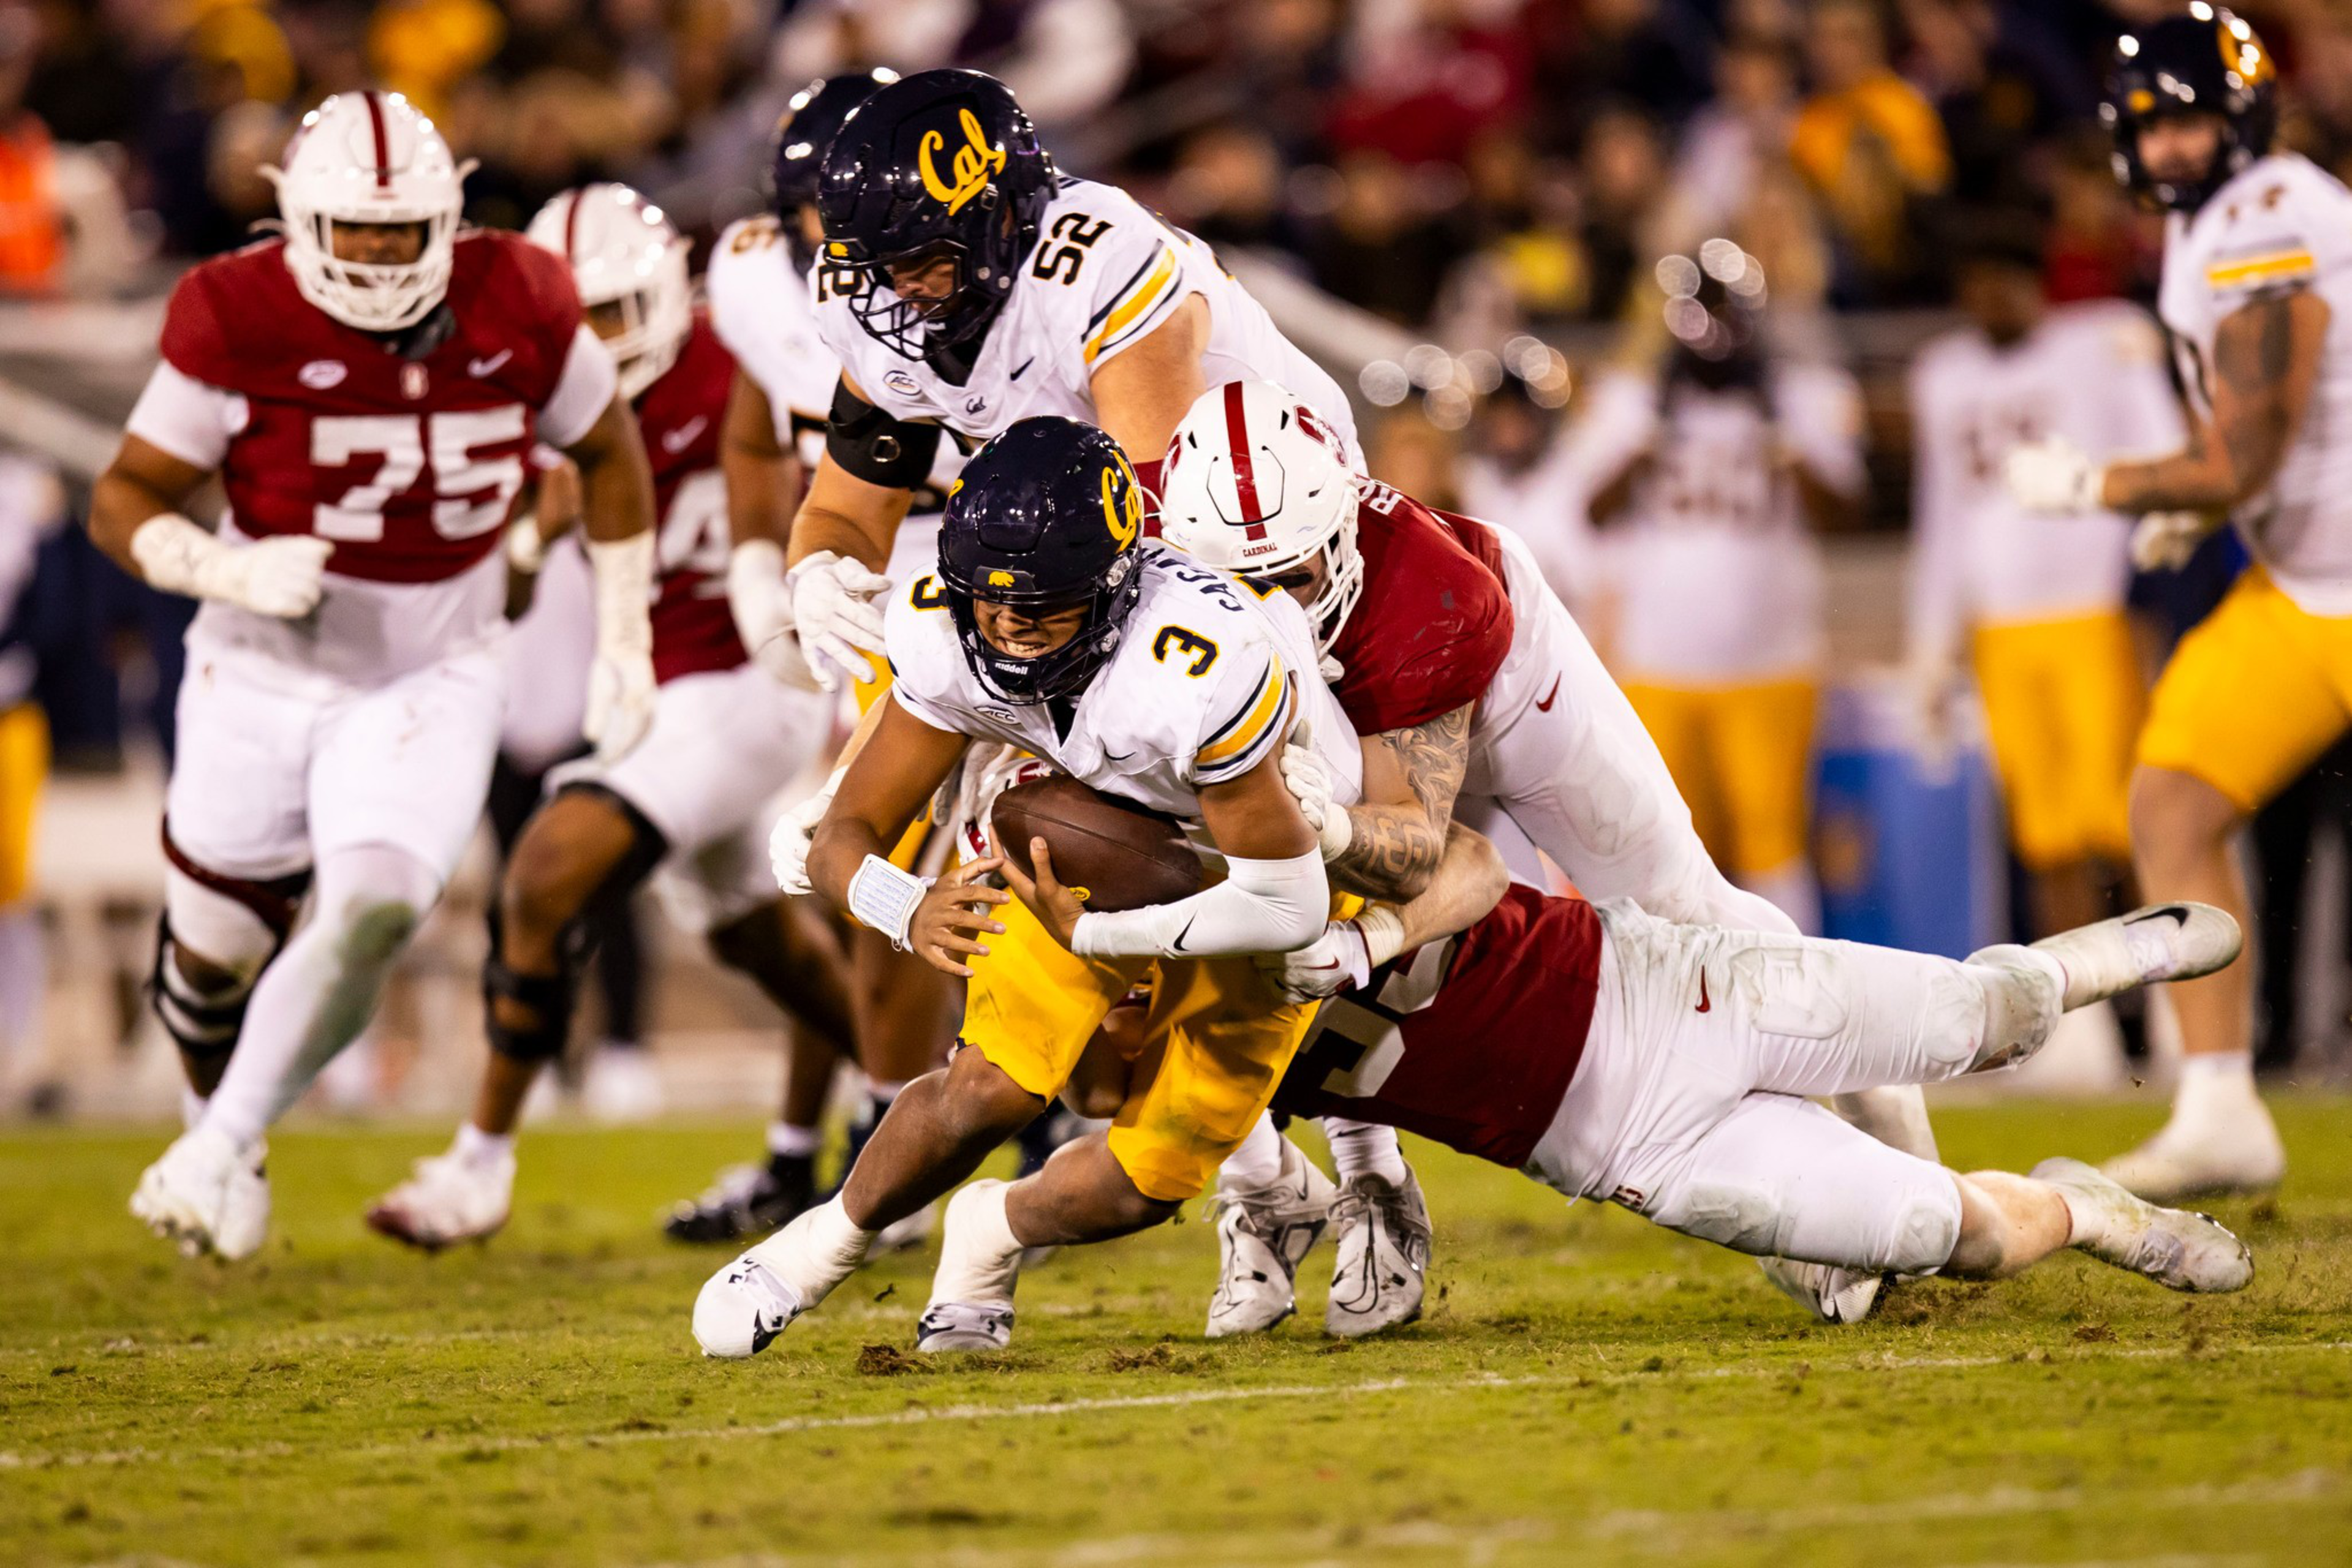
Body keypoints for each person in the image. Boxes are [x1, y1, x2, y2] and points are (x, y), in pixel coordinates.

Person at [771, 68, 1415, 1280]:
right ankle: (1266, 1174)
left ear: (997, 218)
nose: (889, 291)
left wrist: (1009, 719)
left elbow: (1149, 534)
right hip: (1097, 599)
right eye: (874, 258)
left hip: (1262, 568)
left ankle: (1359, 1163)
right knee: (1092, 916)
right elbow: (846, 497)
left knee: (1292, 879)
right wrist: (815, 576)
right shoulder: (889, 308)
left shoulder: (1094, 265)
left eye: (916, 255)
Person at [1160, 377, 1929, 1331]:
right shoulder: (1159, 557)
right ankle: (1315, 1182)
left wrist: (1328, 827)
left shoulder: (1427, 592)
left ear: (1341, 527)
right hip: (1345, 719)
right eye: (1240, 586)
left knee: (1675, 909)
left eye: (1292, 579)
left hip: (1507, 685)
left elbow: (1413, 853)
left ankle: (1878, 1095)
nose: (1269, 608)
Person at [88, 92, 659, 1259]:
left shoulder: (521, 294)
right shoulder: (233, 309)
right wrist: (223, 571)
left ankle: (215, 1146)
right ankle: (221, 1134)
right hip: (256, 665)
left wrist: (622, 637)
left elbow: (606, 452)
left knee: (380, 903)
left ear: (451, 218)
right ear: (299, 222)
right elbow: (123, 500)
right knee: (210, 961)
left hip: (434, 669)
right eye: (360, 231)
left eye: (408, 232)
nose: (388, 254)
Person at [946, 823, 2255, 1320]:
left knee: (1983, 1017)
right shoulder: (1190, 1080)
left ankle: (2084, 964)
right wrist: (983, 1230)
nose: (1081, 1050)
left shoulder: (1265, 852)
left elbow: (1461, 858)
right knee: (1937, 1233)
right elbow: (1125, 1171)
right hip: (1628, 1150)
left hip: (1658, 985)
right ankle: (2087, 1206)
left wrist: (1373, 934)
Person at [691, 415, 1364, 1359]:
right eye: (989, 602)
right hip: (1074, 848)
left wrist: (1100, 943)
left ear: (1114, 587)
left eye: (1041, 605)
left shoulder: (1203, 664)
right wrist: (907, 907)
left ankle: (997, 1228)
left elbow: (1286, 906)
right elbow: (847, 833)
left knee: (1145, 1173)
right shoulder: (947, 624)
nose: (1007, 627)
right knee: (994, 1086)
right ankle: (815, 1248)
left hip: (1249, 890)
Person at [363, 183, 856, 1250]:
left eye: (614, 314)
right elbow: (501, 596)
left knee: (545, 871)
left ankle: (478, 1164)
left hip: (754, 677)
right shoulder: (528, 398)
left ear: (673, 292)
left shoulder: (750, 348)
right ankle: (961, 1097)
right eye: (571, 319)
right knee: (767, 947)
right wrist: (530, 540)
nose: (592, 342)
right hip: (665, 697)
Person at [2005, 7, 2321, 1199]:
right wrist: (2200, 502)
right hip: (2301, 589)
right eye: (2151, 125)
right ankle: (2219, 1105)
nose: (2172, 146)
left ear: (2237, 118)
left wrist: (2098, 481)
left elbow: (2242, 449)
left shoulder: (2263, 220)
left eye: (2188, 120)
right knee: (2171, 798)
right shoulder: (2208, 233)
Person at [676, 70, 960, 1243]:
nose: (861, 251)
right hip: (857, 573)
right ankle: (867, 1127)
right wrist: (760, 566)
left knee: (886, 857)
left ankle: (911, 1126)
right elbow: (758, 429)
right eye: (831, 222)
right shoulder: (754, 278)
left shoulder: (983, 291)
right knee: (853, 863)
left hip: (996, 580)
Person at [1570, 241, 1864, 936]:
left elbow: (1846, 516)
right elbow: (1589, 509)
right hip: (1656, 660)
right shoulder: (1631, 401)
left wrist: (1784, 441)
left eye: (1722, 311)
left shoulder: (1801, 396)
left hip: (1770, 659)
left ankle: (1795, 1003)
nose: (1710, 331)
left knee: (1774, 845)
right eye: (1696, 312)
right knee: (1657, 851)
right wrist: (1646, 438)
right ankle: (1671, 1010)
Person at [1908, 213, 2182, 938]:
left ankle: (2154, 998)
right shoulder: (1943, 374)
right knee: (2044, 835)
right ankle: (2081, 1008)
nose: (1989, 299)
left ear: (2036, 284)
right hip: (2000, 627)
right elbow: (1941, 518)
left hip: (2093, 611)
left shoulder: (2095, 345)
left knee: (2119, 820)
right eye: (1975, 286)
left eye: (2002, 282)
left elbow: (2163, 450)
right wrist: (1930, 645)